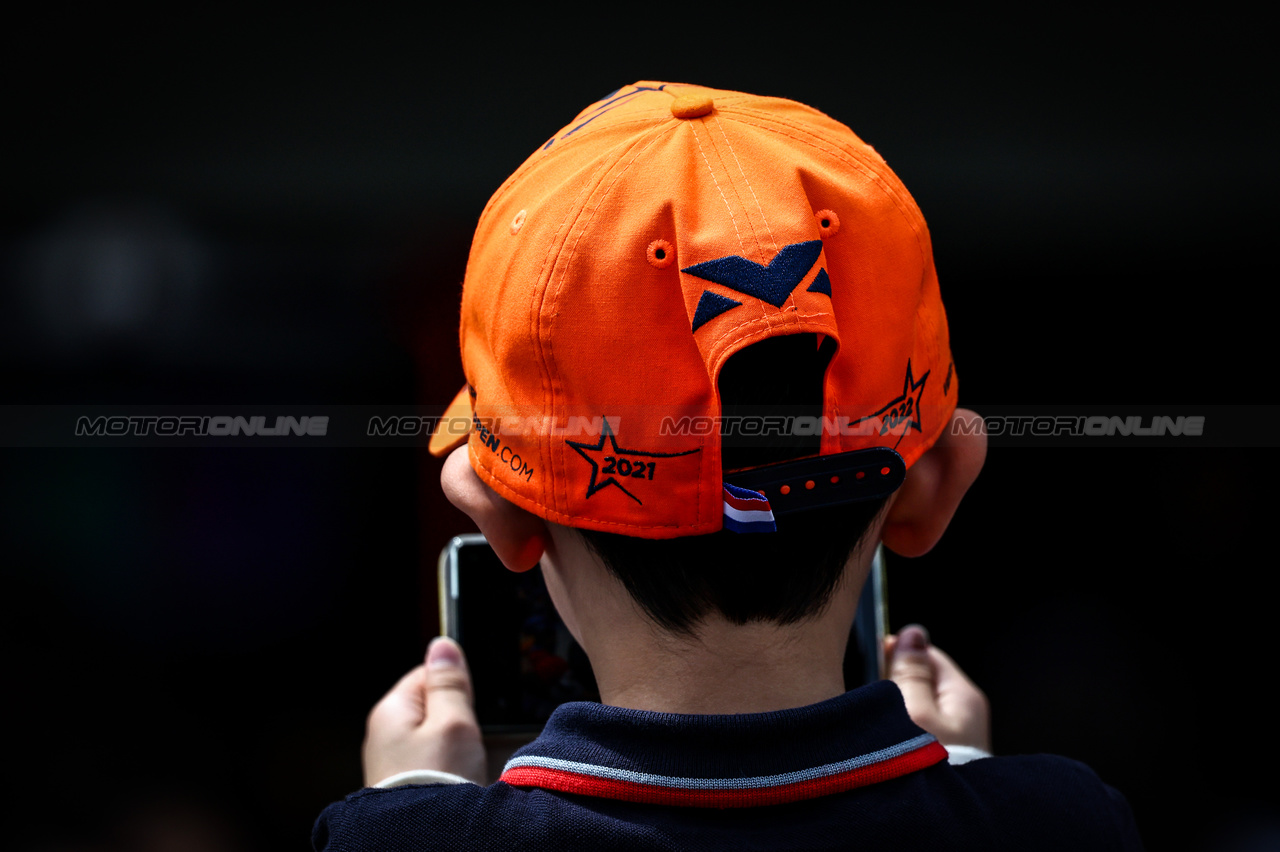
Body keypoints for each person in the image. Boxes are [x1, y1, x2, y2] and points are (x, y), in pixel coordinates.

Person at [313, 82, 1143, 850]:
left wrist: (411, 796)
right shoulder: (1064, 824)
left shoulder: (398, 839)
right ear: (938, 480)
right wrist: (965, 779)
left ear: (496, 504)